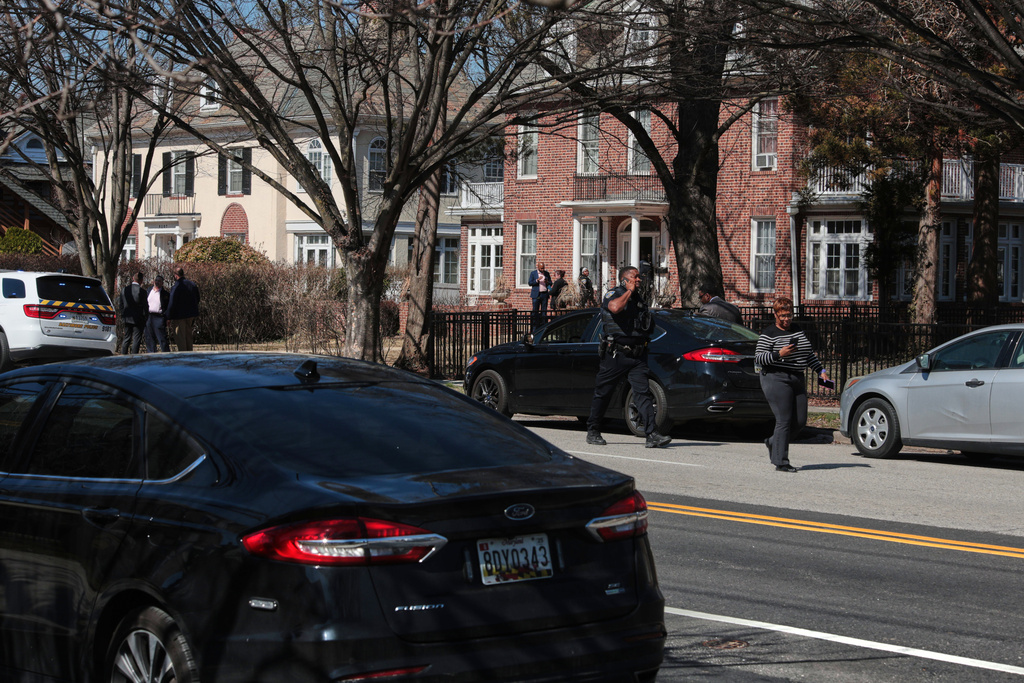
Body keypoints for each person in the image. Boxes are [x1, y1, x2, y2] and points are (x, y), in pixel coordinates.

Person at [586, 265, 672, 449]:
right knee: (603, 393)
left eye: (639, 277)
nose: (639, 279)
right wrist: (628, 292)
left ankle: (652, 434)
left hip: (637, 355)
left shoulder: (639, 299)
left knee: (642, 393)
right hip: (616, 354)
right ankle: (593, 430)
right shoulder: (613, 294)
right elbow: (615, 308)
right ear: (625, 280)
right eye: (635, 277)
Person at [755, 297, 829, 472]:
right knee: (784, 420)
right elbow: (758, 358)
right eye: (783, 316)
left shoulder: (797, 330)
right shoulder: (769, 333)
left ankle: (773, 442)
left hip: (797, 377)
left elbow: (807, 353)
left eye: (789, 315)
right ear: (775, 315)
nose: (787, 319)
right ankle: (781, 462)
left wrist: (820, 370)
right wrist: (779, 353)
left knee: (800, 420)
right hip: (775, 378)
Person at [167, 267, 201, 351]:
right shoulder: (192, 284)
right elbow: (198, 298)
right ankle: (189, 352)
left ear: (176, 275)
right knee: (188, 334)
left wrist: (168, 316)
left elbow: (172, 302)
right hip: (190, 314)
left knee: (180, 335)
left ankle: (183, 354)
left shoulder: (176, 287)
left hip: (179, 315)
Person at [118, 271, 147, 354]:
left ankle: (123, 355)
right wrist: (145, 318)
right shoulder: (142, 292)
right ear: (141, 280)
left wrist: (123, 315)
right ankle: (134, 357)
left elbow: (121, 305)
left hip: (127, 317)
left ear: (133, 278)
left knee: (126, 338)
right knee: (136, 339)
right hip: (138, 319)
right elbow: (145, 306)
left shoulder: (124, 290)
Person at [145, 275, 171, 353]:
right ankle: (151, 354)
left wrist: (167, 318)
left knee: (162, 338)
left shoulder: (165, 294)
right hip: (149, 317)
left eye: (159, 281)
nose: (157, 282)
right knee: (149, 337)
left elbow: (167, 307)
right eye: (156, 280)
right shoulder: (149, 290)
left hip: (159, 318)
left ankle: (166, 354)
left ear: (162, 283)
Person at [528, 262, 552, 329]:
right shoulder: (533, 273)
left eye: (543, 268)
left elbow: (550, 283)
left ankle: (543, 327)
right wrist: (537, 280)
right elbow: (530, 283)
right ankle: (534, 328)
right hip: (536, 294)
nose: (542, 269)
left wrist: (547, 282)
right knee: (535, 311)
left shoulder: (546, 273)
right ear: (538, 267)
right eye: (541, 268)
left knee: (544, 311)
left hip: (544, 294)